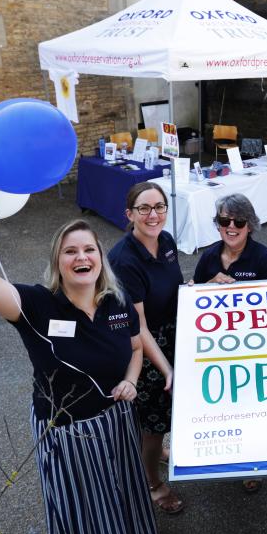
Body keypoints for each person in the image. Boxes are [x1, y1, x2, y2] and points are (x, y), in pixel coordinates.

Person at [0, 174, 157, 534]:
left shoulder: (116, 301)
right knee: (90, 510)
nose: (81, 257)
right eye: (71, 251)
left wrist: (130, 381)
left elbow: (137, 348)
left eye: (90, 249)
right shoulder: (37, 303)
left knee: (125, 495)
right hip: (68, 431)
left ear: (101, 259)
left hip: (116, 422)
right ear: (58, 262)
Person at [108, 182, 186, 515]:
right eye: (144, 209)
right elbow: (137, 327)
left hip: (173, 333)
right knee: (152, 426)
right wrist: (167, 368)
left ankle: (158, 453)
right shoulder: (125, 260)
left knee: (166, 414)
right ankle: (152, 482)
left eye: (159, 207)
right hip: (145, 344)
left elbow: (175, 287)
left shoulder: (165, 241)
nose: (153, 215)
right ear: (130, 214)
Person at [193, 193, 267, 493]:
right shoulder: (207, 258)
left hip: (253, 350)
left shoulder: (265, 259)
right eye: (224, 221)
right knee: (222, 406)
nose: (231, 227)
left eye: (238, 221)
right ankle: (225, 454)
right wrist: (205, 287)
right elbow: (194, 301)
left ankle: (253, 462)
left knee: (252, 407)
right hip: (217, 349)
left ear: (250, 225)